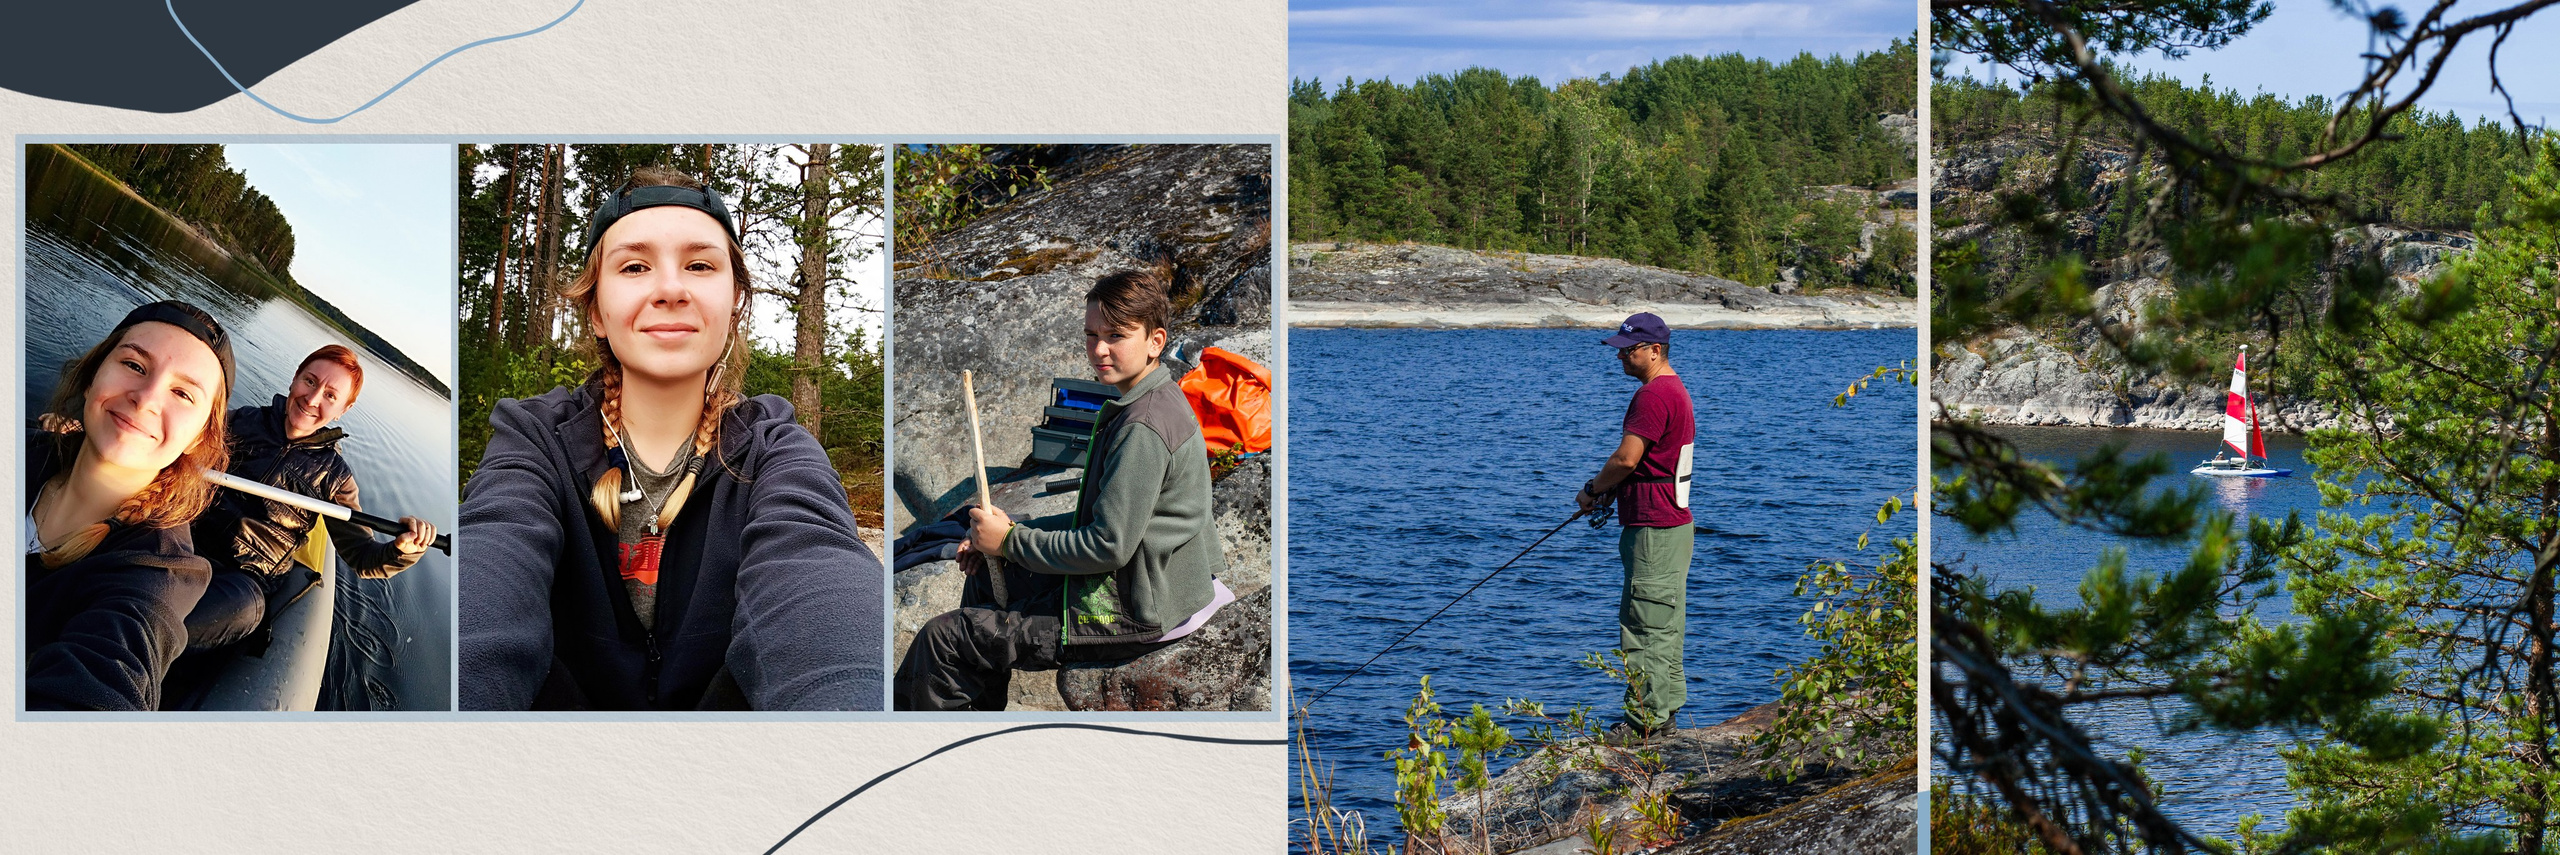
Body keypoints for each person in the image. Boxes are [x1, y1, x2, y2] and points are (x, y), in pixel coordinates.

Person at [459, 168, 883, 711]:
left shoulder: (776, 448)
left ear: (734, 302)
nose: (670, 289)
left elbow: (822, 587)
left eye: (700, 265)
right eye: (635, 266)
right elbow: (491, 566)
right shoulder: (534, 438)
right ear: (596, 310)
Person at [894, 269, 1232, 711]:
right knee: (984, 580)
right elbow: (1097, 519)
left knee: (944, 640)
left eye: (1116, 335)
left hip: (1137, 608)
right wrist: (1005, 536)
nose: (1099, 349)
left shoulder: (1143, 427)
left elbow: (1108, 545)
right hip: (1147, 581)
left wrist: (1013, 541)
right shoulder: (1146, 400)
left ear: (1156, 341)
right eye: (1091, 334)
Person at [116, 345, 434, 653]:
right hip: (183, 541)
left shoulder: (335, 479)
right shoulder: (240, 421)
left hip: (244, 578)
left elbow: (363, 558)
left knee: (231, 610)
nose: (312, 399)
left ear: (342, 410)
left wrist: (401, 550)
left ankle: (131, 640)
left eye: (330, 396)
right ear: (295, 378)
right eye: (310, 381)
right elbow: (171, 443)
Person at [25, 300, 234, 710]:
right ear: (92, 379)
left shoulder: (152, 577)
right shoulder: (23, 452)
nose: (147, 398)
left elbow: (109, 677)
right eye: (135, 366)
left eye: (182, 393)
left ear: (197, 438)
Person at [1575, 311, 1696, 738]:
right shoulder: (1673, 390)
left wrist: (1592, 489)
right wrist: (1615, 491)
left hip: (1654, 528)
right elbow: (1646, 464)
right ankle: (1666, 713)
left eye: (1630, 350)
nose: (1622, 357)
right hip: (1671, 526)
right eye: (1621, 350)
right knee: (1665, 621)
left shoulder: (1653, 395)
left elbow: (1627, 459)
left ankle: (1644, 722)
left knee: (1645, 623)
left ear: (1655, 351)